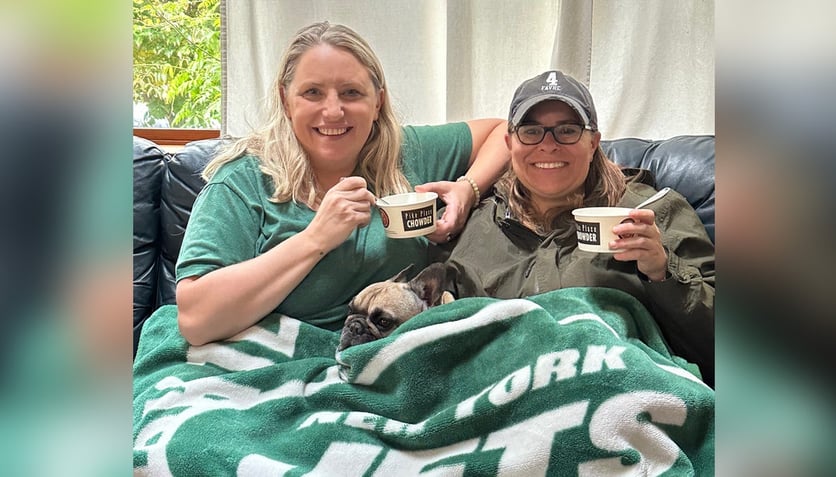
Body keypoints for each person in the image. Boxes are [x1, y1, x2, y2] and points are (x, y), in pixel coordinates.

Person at [173, 21, 509, 346]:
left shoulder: (406, 153)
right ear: (286, 100)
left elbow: (502, 132)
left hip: (393, 361)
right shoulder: (243, 182)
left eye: (351, 92)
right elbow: (195, 320)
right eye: (312, 93)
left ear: (377, 101)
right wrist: (316, 239)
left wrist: (467, 189)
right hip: (283, 361)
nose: (333, 111)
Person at [442, 70, 715, 386]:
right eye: (531, 131)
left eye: (567, 130)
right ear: (509, 143)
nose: (548, 145)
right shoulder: (475, 222)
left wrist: (663, 272)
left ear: (593, 142)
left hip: (622, 395)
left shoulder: (653, 211)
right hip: (498, 404)